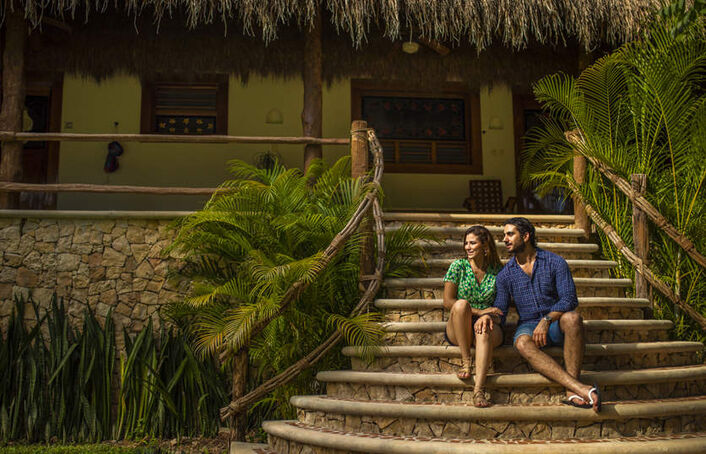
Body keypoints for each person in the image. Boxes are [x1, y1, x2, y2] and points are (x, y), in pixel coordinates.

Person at [479, 217, 602, 412]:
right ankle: (578, 388)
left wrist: (547, 320)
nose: (505, 239)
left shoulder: (555, 262)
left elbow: (569, 299)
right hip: (528, 324)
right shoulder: (505, 275)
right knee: (521, 342)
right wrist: (487, 315)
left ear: (526, 236)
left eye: (510, 234)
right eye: (504, 235)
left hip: (555, 322)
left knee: (573, 318)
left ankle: (571, 391)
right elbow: (500, 312)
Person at [443, 225, 504, 407]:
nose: (467, 247)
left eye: (472, 243)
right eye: (466, 243)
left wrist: (486, 316)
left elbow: (500, 307)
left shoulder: (498, 271)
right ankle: (466, 361)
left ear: (485, 246)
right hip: (459, 326)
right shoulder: (458, 266)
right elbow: (448, 301)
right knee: (461, 304)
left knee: (483, 328)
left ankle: (479, 390)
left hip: (489, 326)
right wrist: (479, 312)